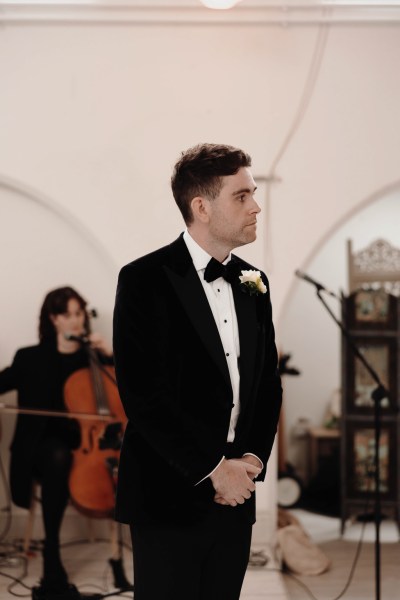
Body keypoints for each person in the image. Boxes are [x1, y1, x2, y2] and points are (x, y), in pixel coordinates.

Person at [113, 143, 283, 600]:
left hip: (238, 493)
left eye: (253, 194)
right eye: (242, 196)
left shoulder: (255, 283)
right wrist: (213, 470)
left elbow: (267, 384)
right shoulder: (143, 279)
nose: (256, 205)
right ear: (202, 207)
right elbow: (142, 393)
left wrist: (250, 462)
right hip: (170, 489)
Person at [0, 286, 130, 600]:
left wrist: (111, 356)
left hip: (89, 450)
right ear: (53, 319)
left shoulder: (96, 360)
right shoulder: (30, 358)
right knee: (57, 455)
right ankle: (52, 554)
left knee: (70, 456)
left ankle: (120, 558)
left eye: (78, 313)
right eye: (67, 314)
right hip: (38, 450)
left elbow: (135, 387)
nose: (75, 321)